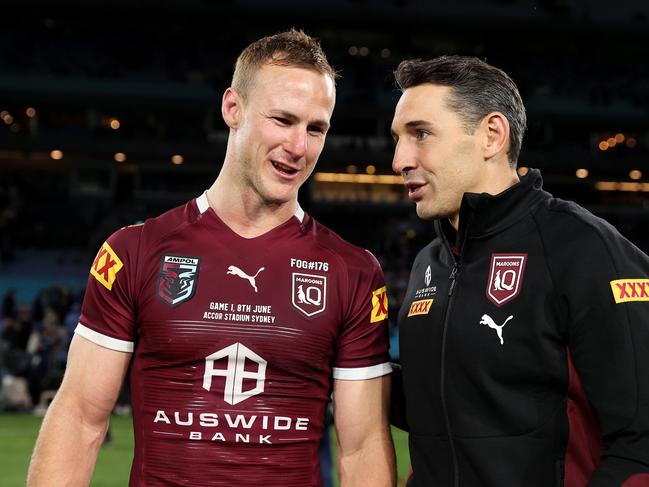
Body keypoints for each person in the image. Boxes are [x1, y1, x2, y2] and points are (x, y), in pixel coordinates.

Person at [27, 29, 396, 487]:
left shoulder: (354, 272)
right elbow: (80, 418)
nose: (299, 147)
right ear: (232, 108)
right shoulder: (134, 251)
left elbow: (362, 449)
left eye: (315, 128)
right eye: (282, 120)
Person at [390, 55, 649, 487]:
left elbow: (640, 444)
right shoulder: (428, 264)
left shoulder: (584, 249)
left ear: (492, 135)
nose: (399, 159)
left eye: (421, 134)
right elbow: (447, 403)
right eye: (397, 138)